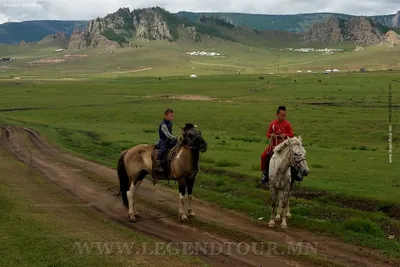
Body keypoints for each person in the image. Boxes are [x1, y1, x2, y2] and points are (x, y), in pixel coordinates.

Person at [260, 106, 302, 184]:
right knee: (263, 156)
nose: (283, 117)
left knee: (294, 156)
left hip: (284, 147)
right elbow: (267, 134)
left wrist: (285, 135)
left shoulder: (287, 124)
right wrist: (272, 135)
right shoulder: (273, 124)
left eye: (285, 115)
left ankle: (297, 172)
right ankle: (265, 173)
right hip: (273, 146)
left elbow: (291, 134)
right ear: (277, 114)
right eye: (282, 115)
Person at [155, 108, 178, 172]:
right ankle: (158, 163)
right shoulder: (163, 125)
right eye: (171, 116)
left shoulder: (170, 123)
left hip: (169, 140)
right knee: (164, 149)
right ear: (165, 116)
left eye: (173, 116)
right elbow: (167, 135)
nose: (172, 117)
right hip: (163, 141)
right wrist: (174, 137)